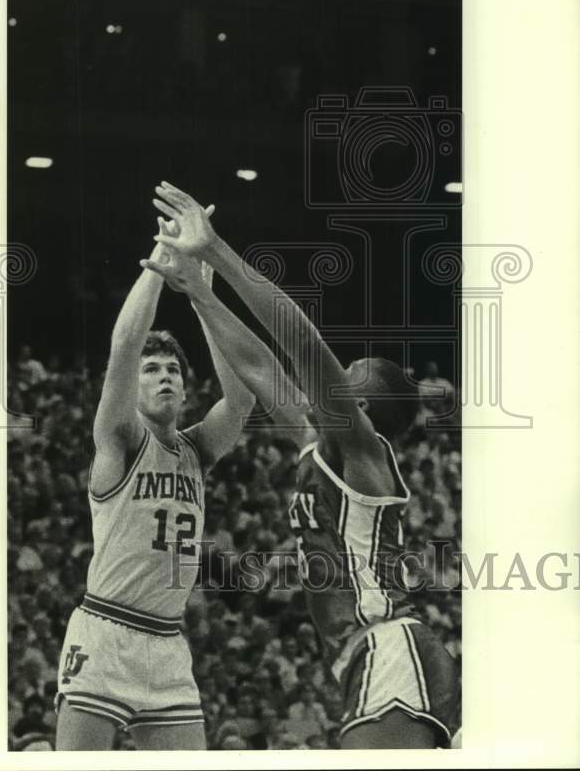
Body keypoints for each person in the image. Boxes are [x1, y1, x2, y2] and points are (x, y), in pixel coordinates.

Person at [146, 182, 461, 749]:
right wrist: (199, 293)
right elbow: (260, 368)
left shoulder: (363, 454)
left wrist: (216, 249)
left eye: (349, 375)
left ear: (361, 406)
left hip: (390, 646)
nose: (337, 374)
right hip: (363, 654)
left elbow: (304, 345)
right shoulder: (321, 447)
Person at [54, 221, 258, 751]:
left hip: (168, 642)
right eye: (153, 369)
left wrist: (202, 296)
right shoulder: (119, 441)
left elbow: (241, 400)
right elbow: (123, 347)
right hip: (106, 631)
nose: (164, 375)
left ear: (187, 391)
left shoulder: (197, 450)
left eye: (173, 369)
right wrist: (163, 254)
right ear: (136, 386)